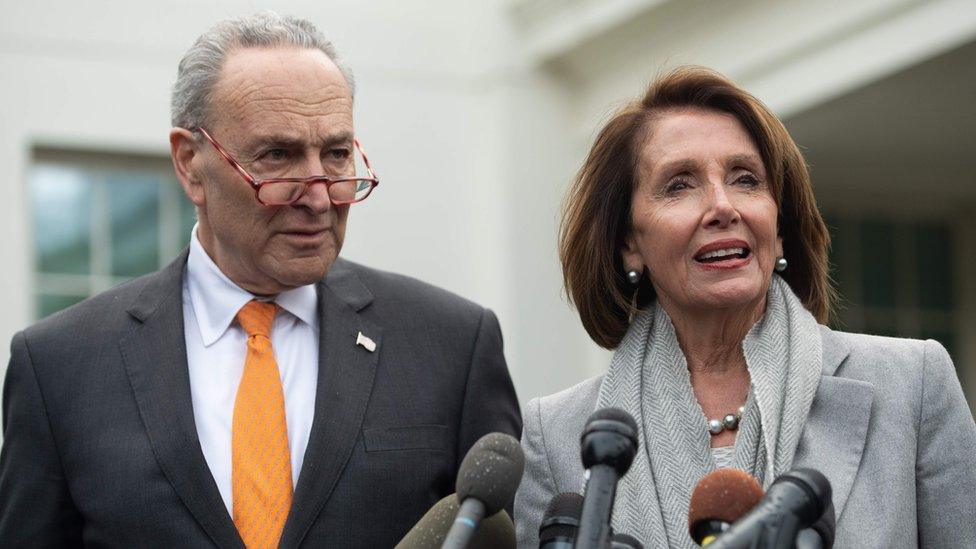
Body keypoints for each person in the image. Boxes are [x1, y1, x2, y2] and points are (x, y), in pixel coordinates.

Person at [0, 12, 520, 548]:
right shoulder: (62, 367)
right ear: (189, 164)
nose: (319, 196)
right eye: (279, 156)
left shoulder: (451, 345)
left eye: (337, 155)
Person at [514, 66, 976, 547]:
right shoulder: (558, 436)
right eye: (679, 185)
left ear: (778, 229)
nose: (722, 206)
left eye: (745, 179)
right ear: (629, 243)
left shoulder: (912, 384)